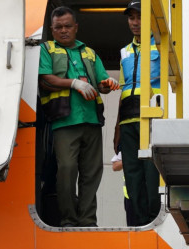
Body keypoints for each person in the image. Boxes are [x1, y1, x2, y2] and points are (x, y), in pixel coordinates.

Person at [38, 6, 118, 228]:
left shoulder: (89, 53)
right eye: (58, 28)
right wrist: (74, 83)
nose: (63, 31)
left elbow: (102, 83)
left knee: (92, 173)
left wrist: (107, 84)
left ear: (76, 27)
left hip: (91, 119)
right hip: (64, 120)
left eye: (67, 26)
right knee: (67, 170)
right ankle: (69, 219)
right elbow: (45, 79)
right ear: (52, 30)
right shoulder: (47, 49)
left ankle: (87, 221)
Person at [116, 1, 162, 226]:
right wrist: (117, 127)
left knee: (151, 173)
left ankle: (153, 218)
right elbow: (123, 89)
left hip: (151, 117)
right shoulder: (125, 51)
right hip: (128, 119)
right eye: (131, 18)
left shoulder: (162, 46)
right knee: (132, 175)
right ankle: (141, 220)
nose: (135, 23)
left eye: (139, 17)